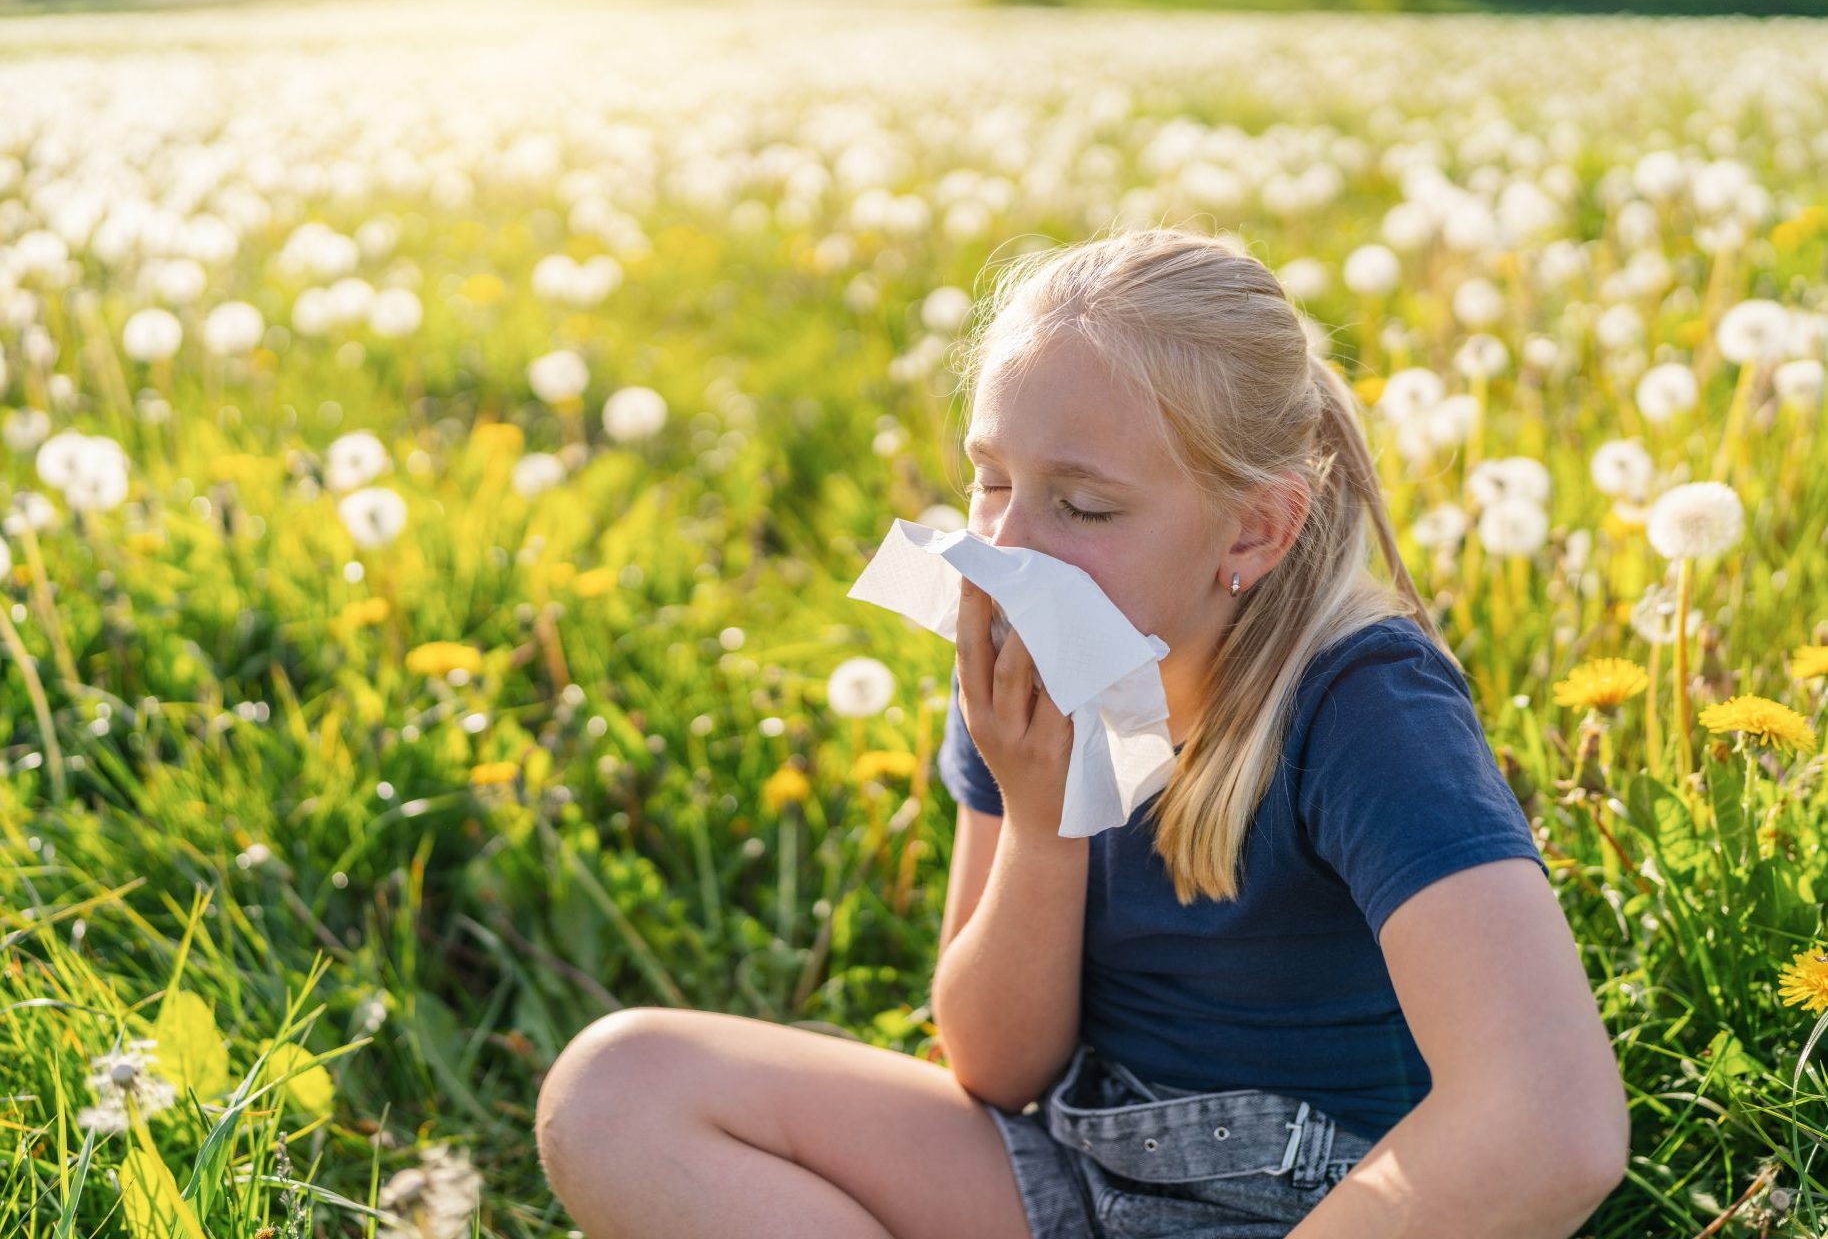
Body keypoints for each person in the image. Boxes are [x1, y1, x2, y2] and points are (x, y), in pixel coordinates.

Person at [534, 227, 1630, 1239]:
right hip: (1077, 1165)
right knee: (619, 1086)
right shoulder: (1028, 679)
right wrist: (1041, 820)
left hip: (1323, 1204)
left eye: (1082, 506)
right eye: (992, 479)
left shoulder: (1362, 703)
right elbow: (995, 1066)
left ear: (1252, 527)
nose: (1005, 541)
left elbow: (1550, 1125)